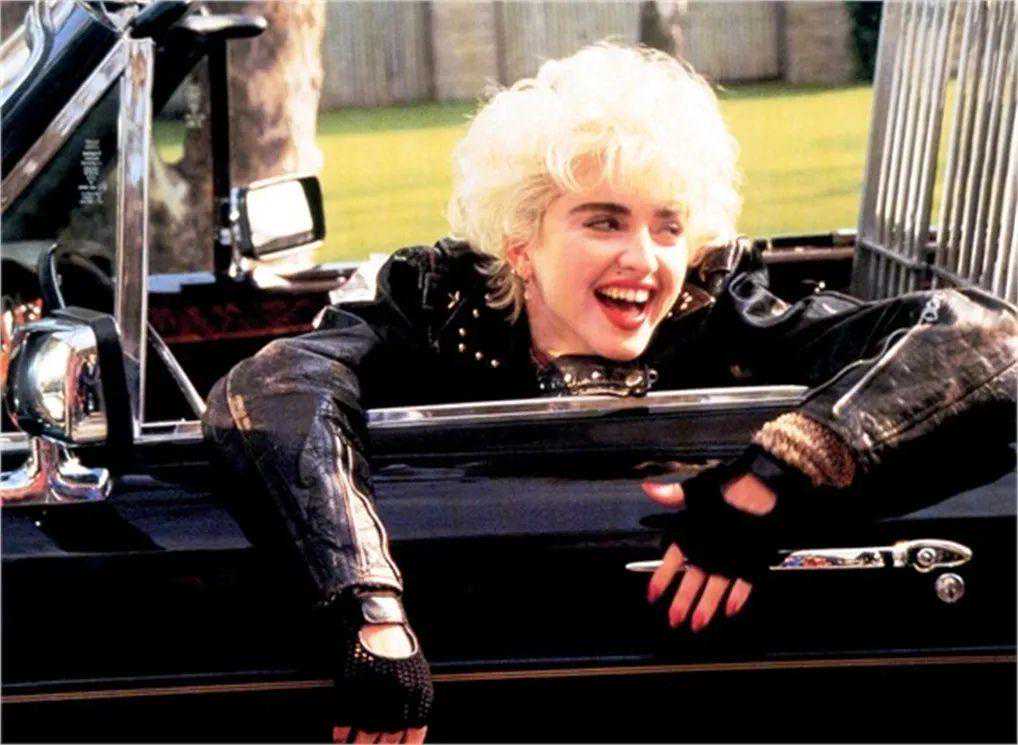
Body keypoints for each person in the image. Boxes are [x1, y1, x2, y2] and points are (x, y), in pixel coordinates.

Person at [202, 43, 1017, 742]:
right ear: (521, 242)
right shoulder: (437, 311)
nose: (645, 259)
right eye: (603, 221)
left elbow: (990, 340)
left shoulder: (720, 315)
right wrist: (369, 610)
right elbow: (272, 386)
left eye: (668, 226)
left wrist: (778, 474)